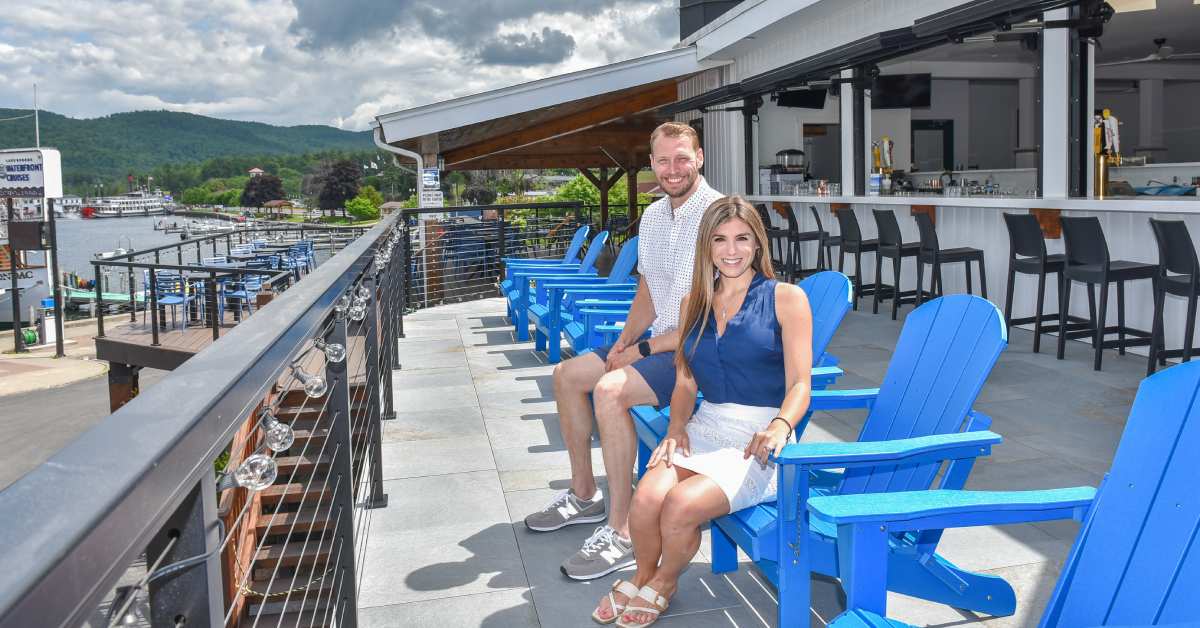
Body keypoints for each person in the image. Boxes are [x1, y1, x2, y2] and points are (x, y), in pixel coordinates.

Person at [592, 196, 813, 627]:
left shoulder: (787, 298)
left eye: (742, 239)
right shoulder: (696, 301)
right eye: (720, 240)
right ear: (707, 247)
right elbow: (686, 381)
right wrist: (676, 427)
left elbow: (800, 384)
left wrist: (781, 425)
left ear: (757, 244)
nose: (731, 250)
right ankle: (642, 575)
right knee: (645, 500)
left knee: (678, 506)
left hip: (761, 437)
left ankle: (665, 582)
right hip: (707, 423)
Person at [523, 121, 724, 581]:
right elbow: (650, 289)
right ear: (651, 164)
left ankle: (625, 531)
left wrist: (643, 349)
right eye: (663, 160)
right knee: (569, 375)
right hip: (658, 342)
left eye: (682, 158)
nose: (673, 169)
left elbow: (710, 315)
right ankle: (584, 495)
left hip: (699, 352)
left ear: (700, 158)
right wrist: (625, 342)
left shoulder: (718, 216)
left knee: (611, 390)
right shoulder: (654, 217)